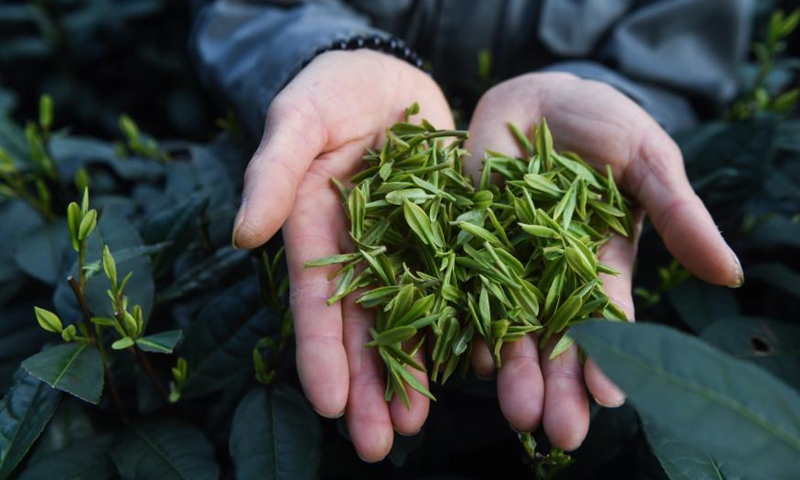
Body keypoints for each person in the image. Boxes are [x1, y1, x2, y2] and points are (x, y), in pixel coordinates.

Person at [193, 0, 751, 462]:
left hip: (546, 141)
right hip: (375, 134)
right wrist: (331, 51)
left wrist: (623, 102)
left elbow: (681, 51)